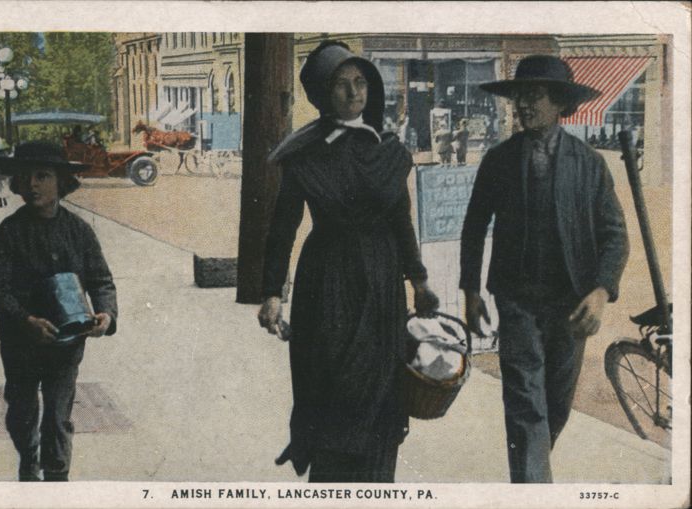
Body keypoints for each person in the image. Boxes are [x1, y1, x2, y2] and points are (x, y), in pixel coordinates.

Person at [258, 41, 439, 483]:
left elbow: (401, 218)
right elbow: (283, 228)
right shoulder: (303, 154)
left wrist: (418, 281)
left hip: (381, 283)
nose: (353, 92)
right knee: (334, 387)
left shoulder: (389, 151)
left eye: (360, 82)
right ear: (322, 94)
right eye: (341, 84)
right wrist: (271, 293)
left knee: (380, 391)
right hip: (328, 282)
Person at [459, 55, 629, 483]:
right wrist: (471, 291)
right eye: (519, 96)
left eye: (534, 96)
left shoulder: (589, 164)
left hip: (571, 306)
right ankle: (534, 490)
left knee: (554, 406)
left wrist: (602, 290)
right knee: (525, 404)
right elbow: (474, 226)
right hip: (516, 299)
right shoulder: (498, 161)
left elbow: (615, 235)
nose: (523, 105)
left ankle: (532, 470)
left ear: (559, 104)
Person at [0, 141, 118, 481]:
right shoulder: (7, 234)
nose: (32, 184)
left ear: (62, 181)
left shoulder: (79, 231)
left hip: (68, 341)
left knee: (58, 415)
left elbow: (101, 280)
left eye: (42, 176)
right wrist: (26, 320)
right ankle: (28, 459)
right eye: (26, 176)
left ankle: (57, 479)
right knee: (21, 412)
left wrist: (106, 314)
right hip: (20, 342)